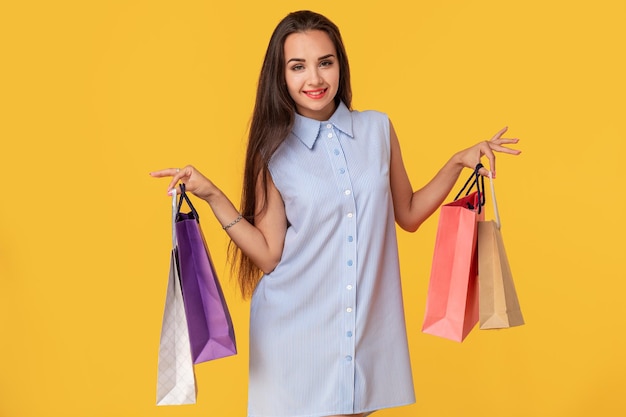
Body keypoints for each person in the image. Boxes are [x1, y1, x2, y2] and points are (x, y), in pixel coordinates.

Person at [151, 10, 520, 417]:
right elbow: (270, 254)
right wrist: (212, 195)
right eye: (298, 67)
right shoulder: (272, 152)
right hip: (292, 332)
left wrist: (456, 162)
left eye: (325, 62)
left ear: (340, 64)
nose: (315, 79)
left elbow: (410, 214)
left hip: (364, 327)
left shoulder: (378, 130)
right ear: (281, 76)